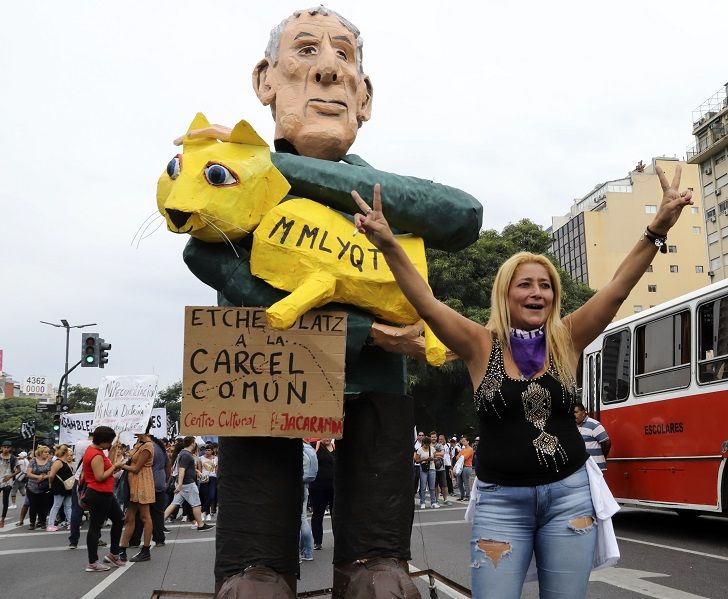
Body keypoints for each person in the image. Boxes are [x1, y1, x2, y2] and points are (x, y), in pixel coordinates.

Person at [175, 7, 482, 597]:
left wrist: (279, 167)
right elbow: (208, 261)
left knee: (378, 458)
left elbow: (464, 216)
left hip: (375, 385)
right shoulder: (225, 190)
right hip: (261, 370)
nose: (328, 72)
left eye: (344, 57)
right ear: (265, 80)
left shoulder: (350, 186)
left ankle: (374, 559)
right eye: (307, 51)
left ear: (364, 98)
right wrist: (369, 333)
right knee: (259, 463)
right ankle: (256, 565)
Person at [350, 163, 692, 597]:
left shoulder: (567, 339)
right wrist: (388, 244)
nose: (537, 292)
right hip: (500, 505)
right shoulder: (479, 344)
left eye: (545, 285)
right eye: (524, 284)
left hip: (570, 499)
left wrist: (657, 227)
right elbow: (427, 303)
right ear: (505, 293)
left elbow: (617, 289)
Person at [82, 426, 126, 572]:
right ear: (103, 441)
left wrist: (113, 464)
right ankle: (92, 562)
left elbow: (107, 467)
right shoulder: (95, 454)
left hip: (105, 493)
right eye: (110, 442)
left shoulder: (98, 451)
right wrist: (115, 467)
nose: (110, 445)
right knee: (95, 527)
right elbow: (100, 477)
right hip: (98, 493)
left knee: (119, 519)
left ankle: (113, 554)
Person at [118, 432, 156, 562]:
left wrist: (120, 465)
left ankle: (145, 550)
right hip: (133, 483)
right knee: (129, 517)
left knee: (145, 516)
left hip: (143, 482)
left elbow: (137, 468)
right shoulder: (139, 444)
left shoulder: (148, 446)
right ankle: (122, 549)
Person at [163, 436, 215, 532]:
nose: (195, 444)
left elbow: (185, 468)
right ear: (192, 443)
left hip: (184, 483)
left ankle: (160, 524)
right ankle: (200, 524)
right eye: (194, 442)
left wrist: (196, 472)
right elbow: (182, 470)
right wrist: (180, 484)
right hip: (188, 484)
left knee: (174, 503)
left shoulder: (184, 453)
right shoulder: (186, 455)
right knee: (196, 504)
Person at [309, 438, 335, 551]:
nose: (327, 438)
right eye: (325, 435)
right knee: (318, 514)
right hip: (318, 487)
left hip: (334, 487)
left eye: (330, 436)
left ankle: (338, 541)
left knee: (336, 515)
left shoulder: (335, 447)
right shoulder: (315, 446)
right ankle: (317, 542)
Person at [573, 402, 611, 471]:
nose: (574, 415)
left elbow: (606, 443)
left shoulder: (594, 424)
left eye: (576, 412)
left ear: (583, 413)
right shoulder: (574, 427)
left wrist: (601, 456)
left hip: (596, 468)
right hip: (584, 468)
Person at [46, 445, 74, 531]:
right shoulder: (58, 462)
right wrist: (50, 484)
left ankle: (71, 523)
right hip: (59, 487)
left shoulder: (63, 462)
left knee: (68, 506)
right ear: (65, 452)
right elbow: (51, 475)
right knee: (57, 505)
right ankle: (50, 524)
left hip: (67, 487)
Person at [25, 445, 53, 530]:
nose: (47, 454)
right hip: (32, 487)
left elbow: (51, 474)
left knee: (43, 506)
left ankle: (42, 522)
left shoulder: (50, 462)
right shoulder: (33, 461)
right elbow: (28, 473)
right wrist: (38, 477)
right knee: (33, 506)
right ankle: (32, 523)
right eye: (45, 452)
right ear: (40, 453)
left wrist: (44, 477)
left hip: (44, 487)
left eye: (48, 452)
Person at [414, 436, 438, 509]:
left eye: (428, 444)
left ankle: (433, 502)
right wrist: (425, 459)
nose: (427, 446)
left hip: (432, 468)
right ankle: (422, 502)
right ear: (423, 443)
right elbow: (416, 461)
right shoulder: (420, 450)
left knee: (432, 487)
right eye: (425, 444)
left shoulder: (432, 449)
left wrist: (432, 459)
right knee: (423, 487)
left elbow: (436, 459)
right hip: (423, 469)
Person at [1, 440, 19, 528]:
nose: (6, 449)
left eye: (8, 447)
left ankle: (2, 519)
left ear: (10, 448)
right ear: (1, 448)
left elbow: (19, 470)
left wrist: (11, 476)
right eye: (4, 447)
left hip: (8, 482)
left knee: (5, 501)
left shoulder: (14, 458)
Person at [456, 436, 474, 502]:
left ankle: (467, 496)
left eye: (464, 441)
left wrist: (460, 457)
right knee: (459, 482)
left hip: (467, 467)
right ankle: (462, 496)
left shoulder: (470, 449)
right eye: (462, 441)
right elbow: (457, 457)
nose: (463, 442)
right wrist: (460, 457)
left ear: (468, 441)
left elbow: (464, 457)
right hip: (461, 466)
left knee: (466, 482)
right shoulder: (462, 449)